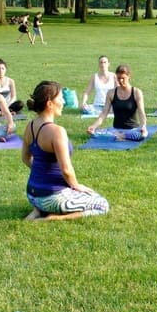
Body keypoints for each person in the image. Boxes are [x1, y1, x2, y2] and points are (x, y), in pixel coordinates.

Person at [22, 81, 109, 221]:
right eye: (61, 98)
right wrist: (76, 185)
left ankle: (39, 210)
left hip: (33, 195)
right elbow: (66, 170)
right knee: (102, 204)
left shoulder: (30, 126)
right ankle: (54, 218)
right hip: (52, 196)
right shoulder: (57, 132)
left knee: (60, 196)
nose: (63, 102)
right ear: (49, 103)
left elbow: (25, 158)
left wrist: (40, 174)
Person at [87, 64, 148, 141]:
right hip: (115, 129)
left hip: (132, 130)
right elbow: (104, 113)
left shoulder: (136, 92)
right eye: (118, 78)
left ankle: (121, 136)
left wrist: (143, 126)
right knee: (96, 133)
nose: (120, 81)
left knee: (142, 135)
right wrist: (93, 126)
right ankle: (119, 136)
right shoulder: (111, 93)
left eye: (123, 78)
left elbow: (141, 112)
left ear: (129, 77)